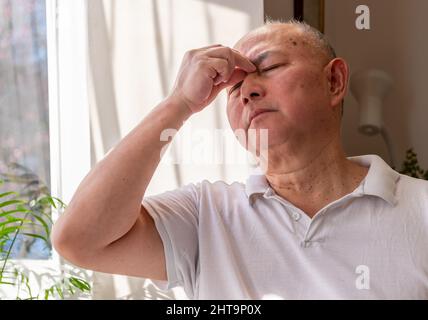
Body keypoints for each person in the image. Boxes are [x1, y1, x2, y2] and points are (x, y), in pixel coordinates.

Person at [51, 20, 428, 299]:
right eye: (232, 87)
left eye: (269, 67)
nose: (247, 89)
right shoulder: (204, 214)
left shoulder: (421, 208)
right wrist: (179, 103)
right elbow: (79, 240)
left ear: (334, 82)